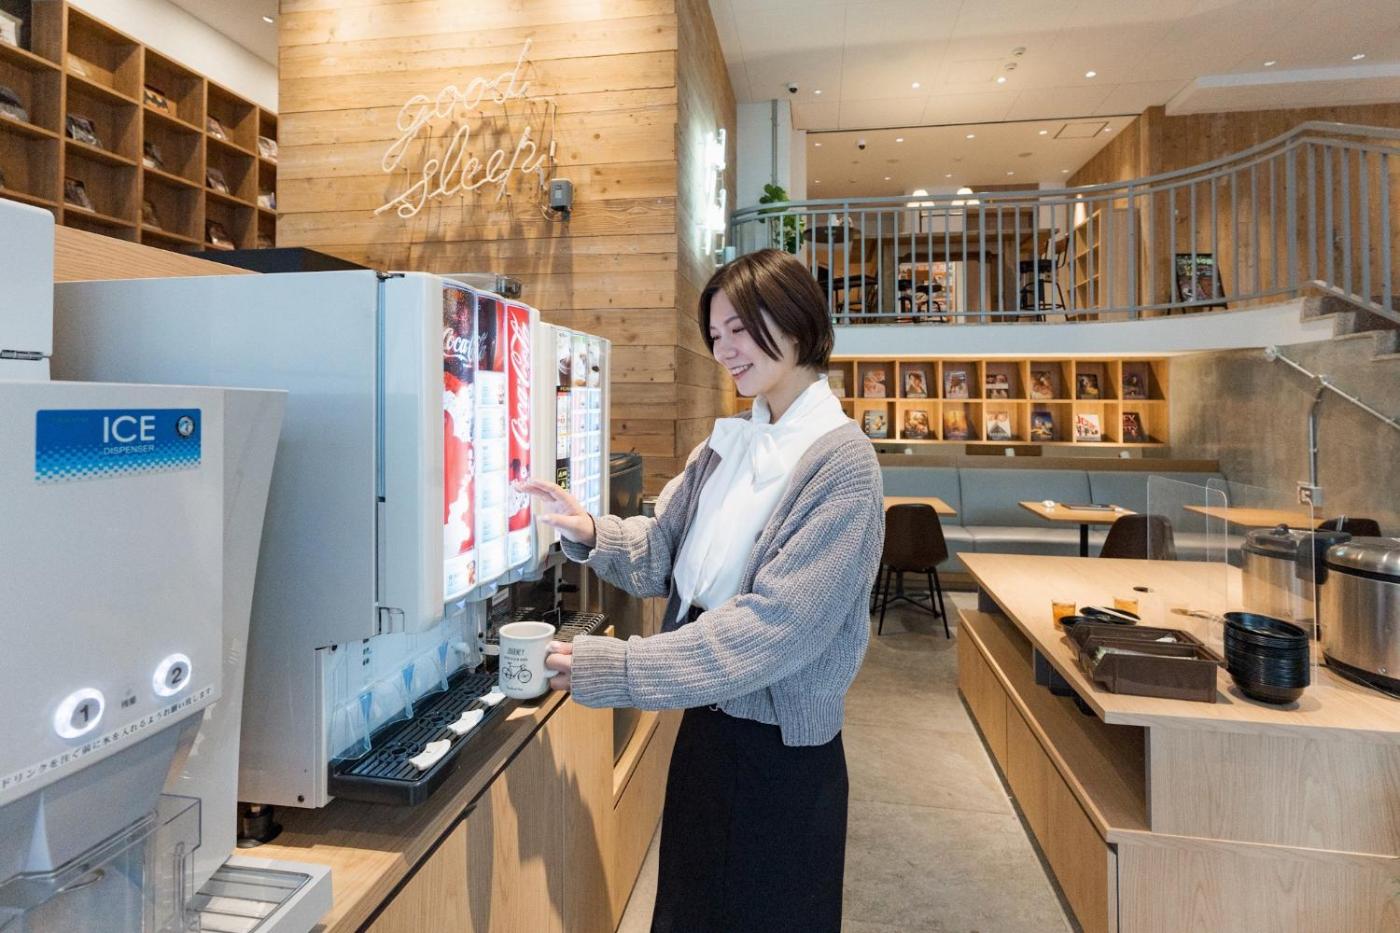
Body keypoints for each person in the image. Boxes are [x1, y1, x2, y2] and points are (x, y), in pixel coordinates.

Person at [518, 248, 884, 933]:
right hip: (705, 731)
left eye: (740, 329)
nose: (725, 351)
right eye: (715, 335)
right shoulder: (728, 443)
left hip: (781, 759)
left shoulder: (843, 465)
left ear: (797, 322)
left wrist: (619, 666)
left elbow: (773, 631)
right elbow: (663, 551)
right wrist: (590, 529)